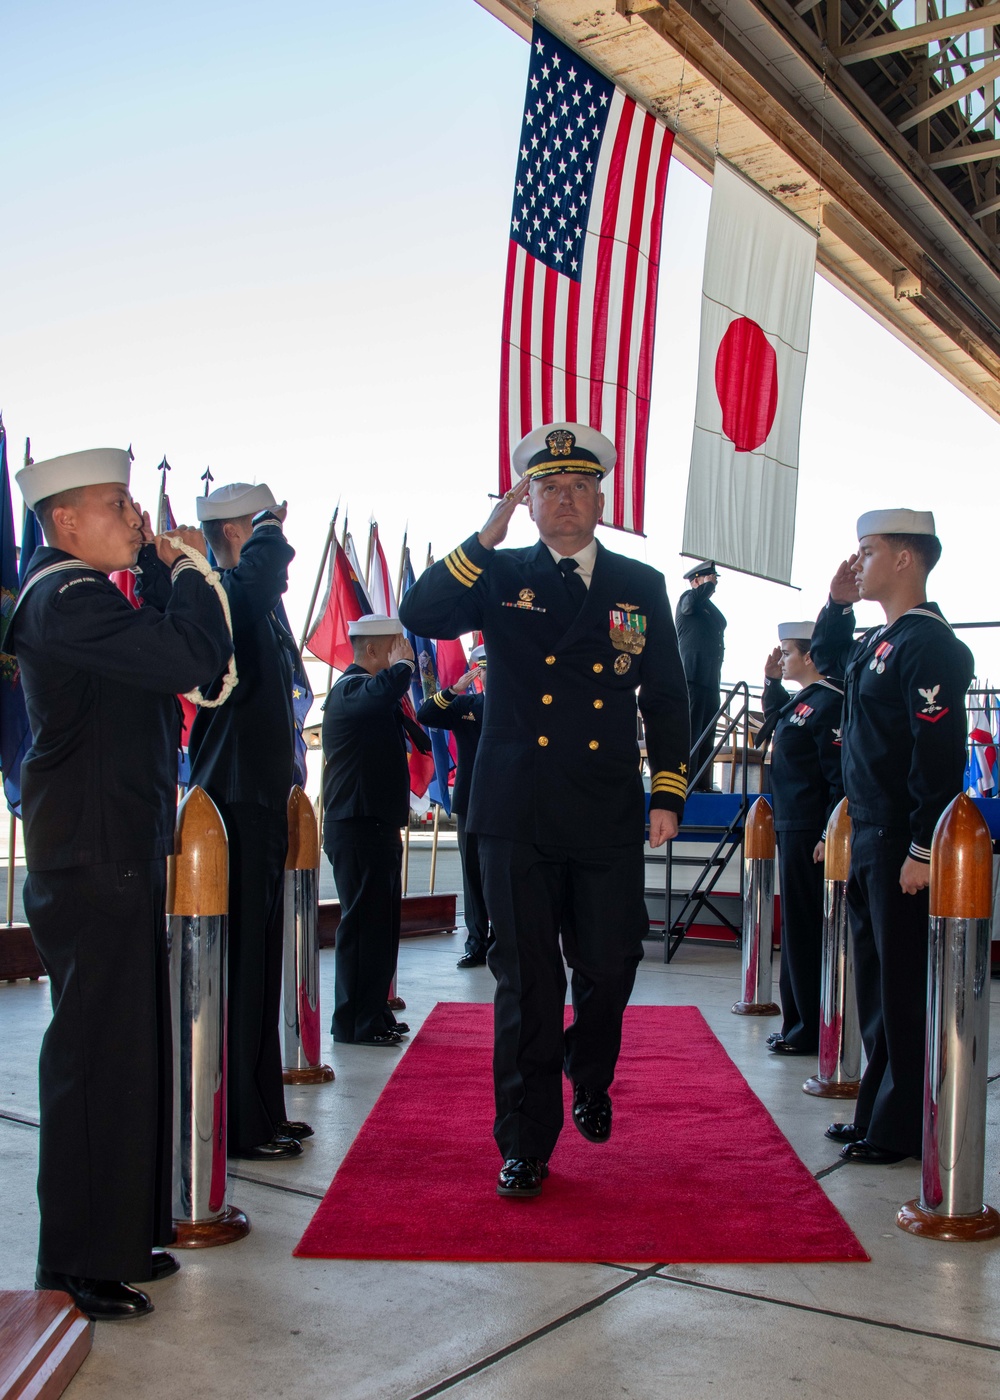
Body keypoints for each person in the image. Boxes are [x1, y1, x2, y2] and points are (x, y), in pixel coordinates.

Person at [399, 422, 690, 1199]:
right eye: (548, 488)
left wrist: (668, 789)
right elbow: (420, 613)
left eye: (579, 486)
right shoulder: (496, 573)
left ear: (602, 498)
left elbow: (665, 695)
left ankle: (588, 1071)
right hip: (516, 806)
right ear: (528, 502)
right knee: (526, 982)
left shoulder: (640, 583)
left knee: (610, 964)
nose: (565, 500)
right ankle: (526, 1141)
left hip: (602, 808)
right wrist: (482, 535)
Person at [9, 447, 232, 1321]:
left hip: (114, 849)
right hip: (93, 856)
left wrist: (150, 562)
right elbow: (190, 655)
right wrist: (178, 569)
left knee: (127, 1051)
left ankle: (120, 1233)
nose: (136, 519)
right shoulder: (67, 599)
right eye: (117, 505)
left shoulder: (85, 595)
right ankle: (72, 1261)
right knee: (94, 1059)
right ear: (66, 523)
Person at [810, 510, 973, 1165]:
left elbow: (937, 753)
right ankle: (877, 1108)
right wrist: (835, 604)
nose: (858, 563)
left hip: (900, 838)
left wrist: (922, 847)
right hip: (870, 835)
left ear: (906, 559)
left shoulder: (929, 644)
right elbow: (828, 662)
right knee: (877, 986)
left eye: (868, 552)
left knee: (903, 989)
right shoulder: (882, 641)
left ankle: (901, 1125)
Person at [188, 482, 311, 1161]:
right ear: (235, 532)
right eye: (263, 531)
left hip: (258, 799)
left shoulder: (252, 604)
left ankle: (262, 1109)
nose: (281, 558)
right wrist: (270, 524)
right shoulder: (219, 596)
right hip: (230, 803)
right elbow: (261, 573)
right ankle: (238, 1121)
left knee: (260, 968)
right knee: (240, 972)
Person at [322, 614, 424, 1046]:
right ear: (371, 651)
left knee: (380, 925)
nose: (403, 653)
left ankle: (373, 1012)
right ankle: (354, 1023)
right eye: (395, 647)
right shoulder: (350, 689)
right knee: (364, 926)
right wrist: (402, 670)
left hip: (375, 824)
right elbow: (376, 697)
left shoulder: (374, 693)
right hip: (357, 825)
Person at [757, 622, 844, 1056]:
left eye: (788, 653)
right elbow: (774, 724)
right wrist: (771, 681)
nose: (783, 658)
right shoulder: (803, 702)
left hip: (811, 830)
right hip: (791, 826)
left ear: (809, 656)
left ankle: (808, 1029)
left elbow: (838, 777)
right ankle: (796, 1023)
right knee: (794, 929)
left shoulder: (830, 702)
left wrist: (830, 831)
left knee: (806, 930)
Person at [417, 643, 490, 968]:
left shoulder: (522, 705)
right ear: (477, 673)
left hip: (508, 803)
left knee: (504, 876)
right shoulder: (467, 704)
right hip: (472, 801)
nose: (489, 674)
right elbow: (425, 713)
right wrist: (453, 689)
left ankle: (505, 942)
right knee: (472, 876)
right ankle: (477, 942)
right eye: (484, 669)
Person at [675, 562, 726, 791]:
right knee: (692, 733)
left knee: (707, 734)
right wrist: (705, 587)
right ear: (696, 581)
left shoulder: (707, 607)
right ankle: (686, 783)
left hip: (710, 679)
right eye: (708, 578)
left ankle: (703, 783)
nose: (713, 582)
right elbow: (689, 605)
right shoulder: (688, 599)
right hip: (693, 677)